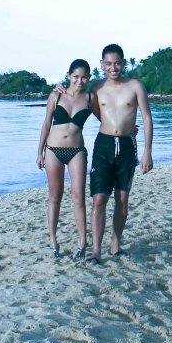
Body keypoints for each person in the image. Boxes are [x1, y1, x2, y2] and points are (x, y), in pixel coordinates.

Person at [87, 43, 153, 262]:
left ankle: (115, 245)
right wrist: (58, 89)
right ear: (102, 64)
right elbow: (78, 101)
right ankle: (96, 251)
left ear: (123, 63)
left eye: (116, 63)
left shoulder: (135, 86)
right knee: (99, 199)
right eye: (108, 64)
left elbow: (146, 117)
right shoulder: (96, 88)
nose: (112, 68)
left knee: (122, 198)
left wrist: (147, 152)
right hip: (103, 145)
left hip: (127, 146)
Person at [36, 59, 94, 260]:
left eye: (84, 76)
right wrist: (39, 152)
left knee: (79, 197)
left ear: (89, 78)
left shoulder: (89, 98)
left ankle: (82, 242)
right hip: (53, 150)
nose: (80, 80)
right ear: (68, 75)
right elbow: (46, 124)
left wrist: (126, 128)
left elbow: (107, 118)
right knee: (55, 196)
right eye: (76, 76)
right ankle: (53, 240)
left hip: (77, 151)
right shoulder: (56, 95)